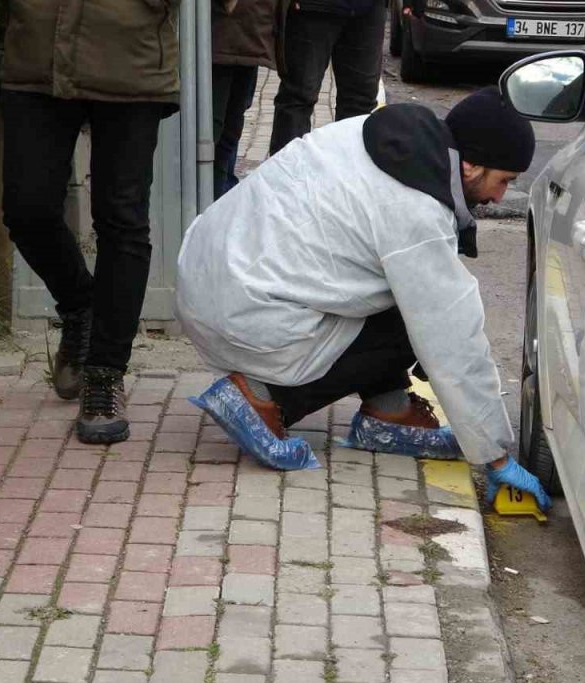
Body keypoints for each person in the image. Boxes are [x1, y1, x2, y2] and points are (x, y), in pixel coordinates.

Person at [178, 89, 552, 509]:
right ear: (469, 166)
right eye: (503, 181)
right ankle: (261, 396)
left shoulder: (373, 134)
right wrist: (495, 455)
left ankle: (387, 413)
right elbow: (453, 340)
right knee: (428, 314)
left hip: (207, 275)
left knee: (407, 291)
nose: (501, 197)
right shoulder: (416, 211)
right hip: (249, 311)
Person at [2, 0, 180, 444]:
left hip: (132, 56)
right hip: (37, 53)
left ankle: (104, 374)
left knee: (122, 219)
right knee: (27, 210)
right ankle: (81, 307)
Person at [268, 0, 385, 157]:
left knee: (360, 103)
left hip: (368, 10)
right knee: (299, 97)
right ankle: (285, 174)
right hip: (313, 8)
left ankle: (348, 176)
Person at [212, 0, 281, 198]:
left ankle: (219, 203)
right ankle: (213, 206)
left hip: (248, 33)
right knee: (215, 136)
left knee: (228, 132)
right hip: (223, 33)